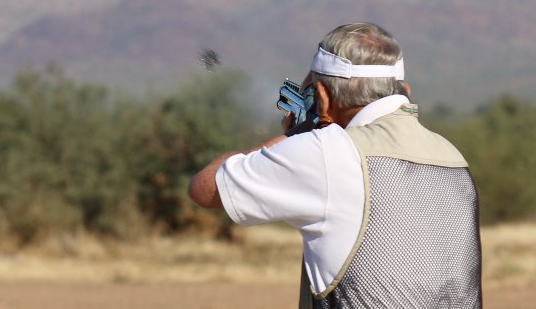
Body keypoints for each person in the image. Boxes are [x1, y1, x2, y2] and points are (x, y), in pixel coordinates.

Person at [189, 22, 482, 308]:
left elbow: (205, 188)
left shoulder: (327, 151)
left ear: (324, 97)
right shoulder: (452, 154)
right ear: (404, 89)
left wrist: (299, 132)